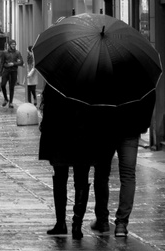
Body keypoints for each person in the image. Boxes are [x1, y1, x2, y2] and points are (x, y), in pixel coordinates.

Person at [39, 85, 116, 239]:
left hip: (59, 135)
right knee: (81, 180)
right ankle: (76, 225)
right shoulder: (89, 81)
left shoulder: (55, 81)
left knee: (60, 178)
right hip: (83, 136)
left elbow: (47, 108)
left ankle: (61, 223)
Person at [91, 90, 156, 237]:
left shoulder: (100, 70)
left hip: (105, 130)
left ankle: (102, 220)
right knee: (127, 176)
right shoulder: (139, 73)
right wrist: (143, 125)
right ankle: (121, 224)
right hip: (130, 129)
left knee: (101, 174)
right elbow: (149, 96)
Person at [0, 39, 24, 108]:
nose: (13, 46)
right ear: (9, 45)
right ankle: (5, 99)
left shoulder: (17, 53)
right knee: (3, 85)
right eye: (12, 44)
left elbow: (21, 62)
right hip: (6, 70)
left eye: (14, 44)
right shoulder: (5, 53)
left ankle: (11, 102)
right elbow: (2, 63)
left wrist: (13, 64)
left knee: (11, 87)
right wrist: (0, 72)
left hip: (13, 71)